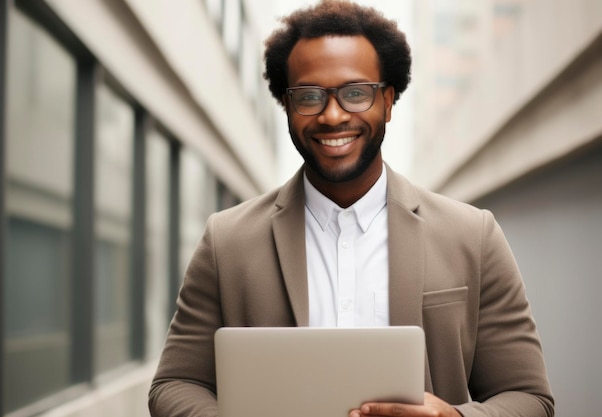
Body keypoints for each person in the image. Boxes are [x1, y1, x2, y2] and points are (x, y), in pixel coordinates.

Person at [148, 1, 554, 416]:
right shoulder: (227, 240)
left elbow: (529, 398)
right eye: (308, 96)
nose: (332, 115)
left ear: (389, 101)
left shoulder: (473, 235)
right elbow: (175, 384)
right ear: (287, 107)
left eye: (356, 93)